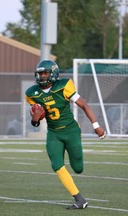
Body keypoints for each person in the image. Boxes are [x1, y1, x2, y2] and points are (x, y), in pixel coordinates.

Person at [25, 60, 106, 210]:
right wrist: (35, 118)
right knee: (56, 165)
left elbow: (84, 105)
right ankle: (79, 199)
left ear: (53, 73)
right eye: (40, 73)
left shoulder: (64, 86)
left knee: (78, 168)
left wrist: (96, 126)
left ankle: (79, 189)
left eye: (45, 73)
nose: (42, 76)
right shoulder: (32, 94)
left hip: (71, 131)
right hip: (54, 133)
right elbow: (35, 122)